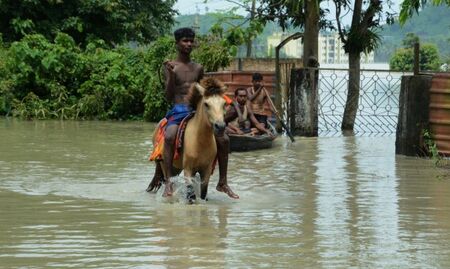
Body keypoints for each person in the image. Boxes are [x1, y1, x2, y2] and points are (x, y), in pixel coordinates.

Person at [151, 27, 239, 199]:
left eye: (191, 41)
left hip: (196, 110)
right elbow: (168, 95)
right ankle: (168, 180)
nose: (189, 44)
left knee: (224, 138)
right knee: (169, 135)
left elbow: (203, 92)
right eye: (185, 41)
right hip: (178, 109)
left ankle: (223, 182)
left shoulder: (198, 67)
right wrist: (169, 75)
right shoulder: (171, 66)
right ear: (177, 43)